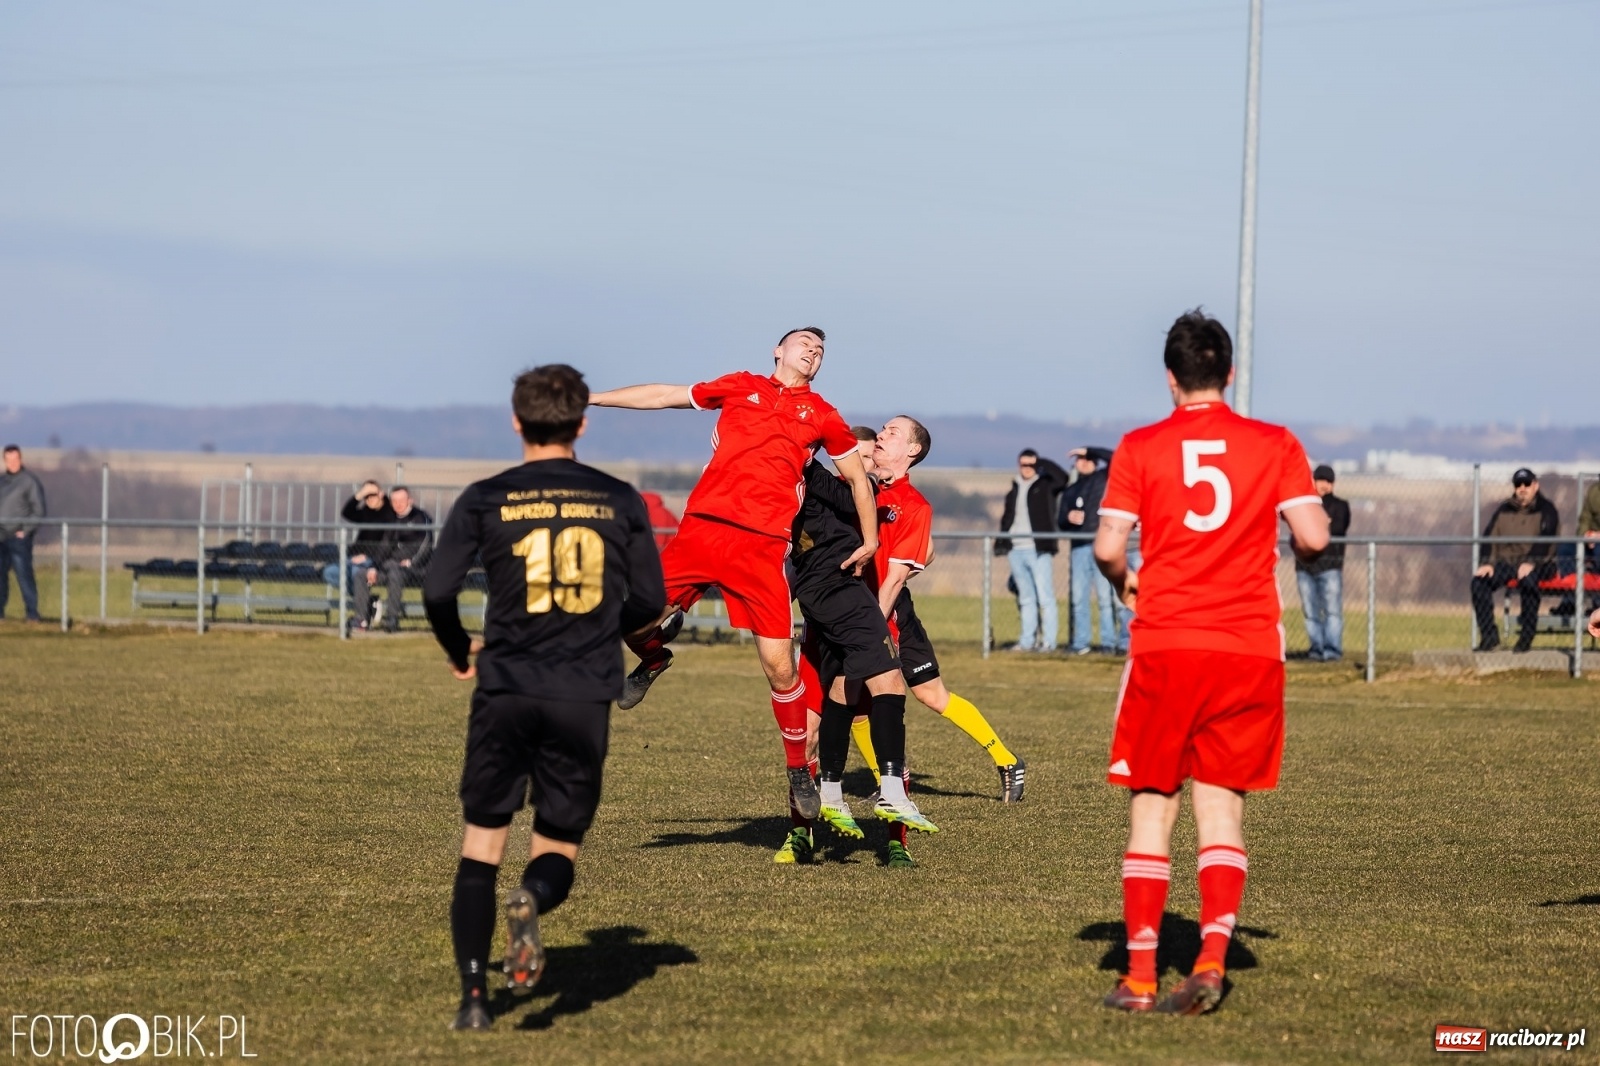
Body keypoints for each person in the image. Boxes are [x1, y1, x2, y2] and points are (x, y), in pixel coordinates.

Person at [1092, 309, 1329, 1015]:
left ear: (1170, 379)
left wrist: (1124, 580)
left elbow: (1108, 548)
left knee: (1151, 810)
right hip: (1248, 646)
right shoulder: (1275, 443)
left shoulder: (1140, 446)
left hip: (1167, 642)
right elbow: (1313, 536)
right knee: (1221, 812)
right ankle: (1212, 963)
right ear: (1229, 373)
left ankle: (1138, 979)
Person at [423, 364, 666, 1032]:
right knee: (557, 842)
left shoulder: (485, 497)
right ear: (583, 423)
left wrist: (455, 648)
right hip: (582, 693)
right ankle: (531, 897)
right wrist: (600, 633)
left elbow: (438, 590)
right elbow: (651, 601)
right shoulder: (620, 499)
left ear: (516, 420)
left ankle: (475, 999)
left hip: (505, 685)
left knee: (482, 843)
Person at [589, 328, 878, 824]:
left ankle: (796, 772)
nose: (813, 352)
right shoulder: (740, 386)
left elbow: (856, 479)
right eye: (805, 343)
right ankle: (654, 660)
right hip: (701, 531)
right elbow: (662, 396)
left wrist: (870, 540)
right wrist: (591, 397)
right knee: (627, 623)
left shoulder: (823, 414)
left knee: (778, 665)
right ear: (777, 350)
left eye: (821, 350)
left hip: (762, 546)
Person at [785, 434, 935, 867]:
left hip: (866, 624)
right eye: (865, 451)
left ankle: (896, 841)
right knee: (804, 735)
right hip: (826, 629)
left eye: (880, 446)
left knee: (879, 735)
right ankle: (800, 834)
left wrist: (870, 629)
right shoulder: (843, 495)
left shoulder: (905, 504)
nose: (871, 455)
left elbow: (894, 577)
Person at [864, 418, 1028, 814]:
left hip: (889, 612)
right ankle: (888, 780)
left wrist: (869, 626)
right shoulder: (864, 488)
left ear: (912, 451)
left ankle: (1007, 761)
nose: (882, 435)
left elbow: (918, 556)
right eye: (882, 430)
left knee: (932, 695)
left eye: (893, 433)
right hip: (859, 607)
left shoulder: (911, 501)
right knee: (855, 700)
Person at [1471, 468, 1560, 653]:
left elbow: (1546, 539)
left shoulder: (1547, 510)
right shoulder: (1504, 510)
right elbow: (1489, 537)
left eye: (1527, 484)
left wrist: (1531, 562)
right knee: (1478, 583)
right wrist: (1487, 563)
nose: (1522, 488)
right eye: (1518, 485)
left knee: (1528, 582)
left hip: (1541, 564)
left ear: (1535, 486)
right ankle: (1489, 638)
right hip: (1508, 563)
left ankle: (1525, 638)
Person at [996, 448, 1068, 652]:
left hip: (1037, 549)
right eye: (1023, 464)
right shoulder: (1014, 488)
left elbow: (1063, 478)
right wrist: (1003, 543)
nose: (1027, 469)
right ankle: (1027, 641)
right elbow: (1008, 518)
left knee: (1045, 597)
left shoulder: (1046, 485)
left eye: (1031, 465)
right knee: (1026, 598)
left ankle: (1049, 643)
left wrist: (1041, 461)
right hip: (1016, 550)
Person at [1059, 445, 1119, 654]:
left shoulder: (1103, 480)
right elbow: (1060, 521)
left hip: (1099, 545)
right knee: (1078, 598)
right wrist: (1068, 518)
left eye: (1088, 459)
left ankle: (1108, 643)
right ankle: (1081, 643)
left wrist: (1089, 449)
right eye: (1080, 459)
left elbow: (1115, 458)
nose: (1083, 462)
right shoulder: (1071, 489)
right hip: (1079, 549)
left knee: (1104, 597)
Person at [356, 486, 434, 633]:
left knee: (395, 572)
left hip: (416, 570)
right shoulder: (389, 520)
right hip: (391, 567)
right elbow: (383, 548)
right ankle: (361, 620)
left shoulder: (421, 518)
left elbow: (426, 546)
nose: (398, 504)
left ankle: (391, 619)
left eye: (401, 500)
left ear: (410, 500)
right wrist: (374, 567)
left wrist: (411, 562)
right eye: (394, 501)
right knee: (361, 574)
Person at [1294, 465, 1351, 661]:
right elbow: (1298, 529)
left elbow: (1336, 528)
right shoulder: (1304, 505)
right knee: (1310, 612)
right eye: (1320, 480)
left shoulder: (1341, 506)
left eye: (1328, 481)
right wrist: (1320, 523)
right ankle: (1316, 649)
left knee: (1332, 611)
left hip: (1330, 566)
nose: (1323, 485)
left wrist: (1314, 525)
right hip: (1305, 566)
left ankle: (1332, 651)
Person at [323, 480, 395, 614]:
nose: (369, 499)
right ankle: (368, 602)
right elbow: (346, 513)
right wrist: (360, 494)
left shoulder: (390, 513)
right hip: (355, 557)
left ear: (381, 494)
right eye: (366, 496)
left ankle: (363, 611)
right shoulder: (366, 512)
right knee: (329, 572)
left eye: (372, 495)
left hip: (373, 560)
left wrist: (367, 557)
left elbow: (385, 544)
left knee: (356, 574)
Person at [0, 445, 46, 623]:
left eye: (15, 459)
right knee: (0, 577)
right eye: (8, 459)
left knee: (24, 575)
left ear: (21, 459)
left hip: (18, 539)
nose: (12, 463)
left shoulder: (29, 482)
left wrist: (25, 530)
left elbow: (39, 510)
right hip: (1, 538)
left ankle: (32, 613)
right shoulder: (2, 482)